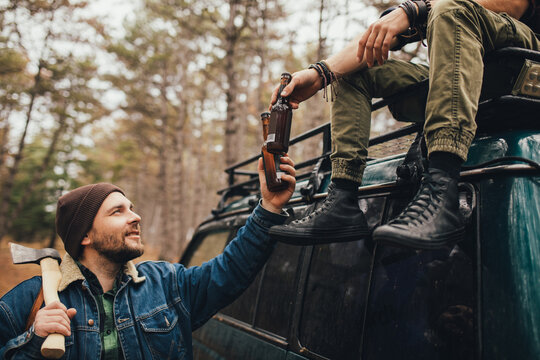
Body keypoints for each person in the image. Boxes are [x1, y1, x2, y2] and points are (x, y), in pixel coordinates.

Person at [269, 0, 539, 249]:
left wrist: (415, 11)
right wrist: (320, 73)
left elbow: (513, 5)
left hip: (524, 65)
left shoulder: (448, 7)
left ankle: (441, 190)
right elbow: (380, 37)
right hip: (461, 76)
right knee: (349, 72)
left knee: (450, 11)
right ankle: (343, 199)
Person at [0, 157, 296, 359]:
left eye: (132, 207)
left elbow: (231, 270)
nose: (136, 217)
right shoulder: (27, 302)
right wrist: (33, 340)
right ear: (85, 236)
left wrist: (268, 208)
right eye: (118, 211)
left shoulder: (167, 283)